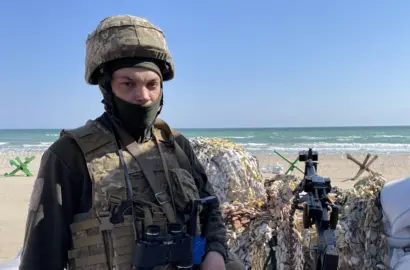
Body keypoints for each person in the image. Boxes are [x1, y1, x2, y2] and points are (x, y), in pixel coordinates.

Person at [19, 15, 244, 270]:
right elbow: (40, 256)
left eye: (152, 84)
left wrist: (215, 251)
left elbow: (210, 209)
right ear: (107, 87)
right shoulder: (70, 155)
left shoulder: (177, 145)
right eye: (128, 84)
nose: (143, 96)